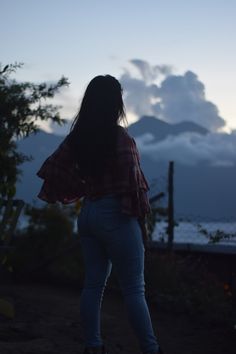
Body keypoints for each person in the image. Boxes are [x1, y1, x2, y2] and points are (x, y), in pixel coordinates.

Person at [37, 75, 163, 354]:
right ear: (115, 102)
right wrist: (141, 227)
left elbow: (52, 169)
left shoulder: (77, 139)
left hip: (89, 214)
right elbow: (134, 188)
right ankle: (151, 349)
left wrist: (80, 188)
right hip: (116, 215)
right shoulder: (121, 138)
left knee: (93, 285)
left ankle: (93, 346)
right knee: (134, 289)